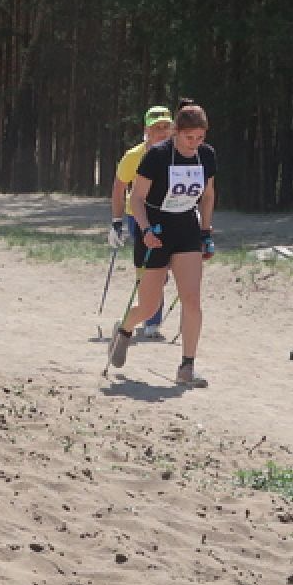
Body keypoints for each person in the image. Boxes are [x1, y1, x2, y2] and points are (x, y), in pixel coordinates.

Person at [108, 102, 217, 387]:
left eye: (200, 138)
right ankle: (124, 330)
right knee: (148, 306)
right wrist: (144, 230)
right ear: (176, 133)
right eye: (189, 138)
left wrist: (205, 232)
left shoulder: (206, 156)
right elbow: (137, 198)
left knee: (192, 299)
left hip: (186, 229)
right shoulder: (156, 156)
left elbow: (207, 195)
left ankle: (187, 367)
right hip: (155, 228)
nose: (194, 144)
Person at [109, 105, 176, 339]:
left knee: (163, 271)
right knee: (148, 269)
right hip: (137, 215)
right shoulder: (133, 157)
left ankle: (147, 313)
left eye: (167, 127)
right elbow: (119, 188)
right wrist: (116, 221)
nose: (162, 132)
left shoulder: (178, 154)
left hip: (168, 214)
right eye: (157, 128)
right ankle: (151, 322)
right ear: (146, 130)